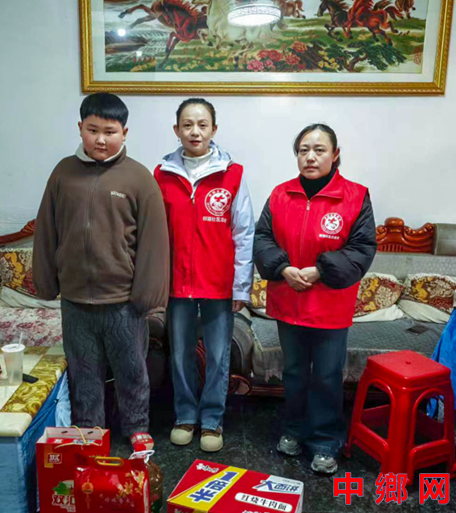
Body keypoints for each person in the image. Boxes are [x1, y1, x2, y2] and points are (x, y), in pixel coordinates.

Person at [33, 92, 170, 452]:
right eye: (92, 130)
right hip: (75, 300)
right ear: (80, 128)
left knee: (131, 369)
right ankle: (88, 431)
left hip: (123, 301)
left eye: (110, 132)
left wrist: (148, 297)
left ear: (125, 133)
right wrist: (46, 283)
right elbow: (46, 230)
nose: (100, 139)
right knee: (83, 372)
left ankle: (137, 426)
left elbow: (155, 242)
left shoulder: (139, 178)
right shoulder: (63, 173)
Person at [254, 123, 377, 474]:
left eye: (319, 150)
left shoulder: (355, 196)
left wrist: (320, 270)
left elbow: (362, 248)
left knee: (326, 374)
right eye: (303, 150)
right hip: (287, 299)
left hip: (329, 305)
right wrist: (282, 268)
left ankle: (325, 441)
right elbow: (262, 238)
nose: (310, 156)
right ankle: (293, 430)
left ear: (335, 155)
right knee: (293, 372)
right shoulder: (280, 194)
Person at [154, 98, 255, 452]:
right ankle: (184, 415)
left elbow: (244, 232)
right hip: (177, 282)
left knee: (218, 354)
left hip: (218, 283)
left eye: (202, 124)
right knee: (179, 353)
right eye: (187, 124)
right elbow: (154, 234)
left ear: (214, 129)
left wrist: (241, 286)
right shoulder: (162, 174)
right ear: (176, 129)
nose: (194, 131)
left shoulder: (233, 174)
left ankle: (212, 420)